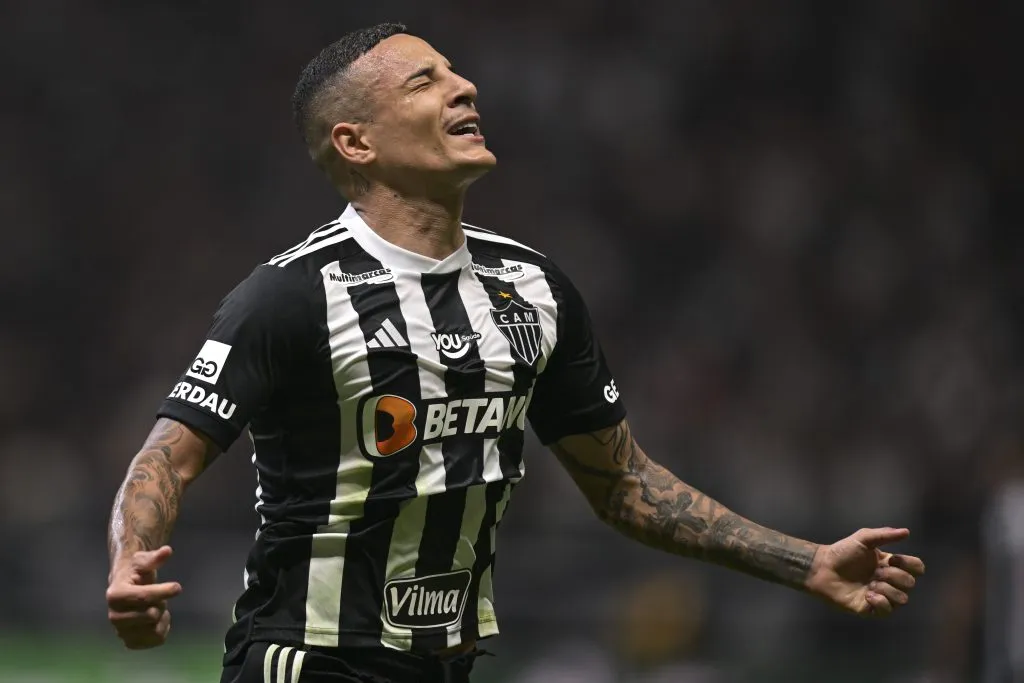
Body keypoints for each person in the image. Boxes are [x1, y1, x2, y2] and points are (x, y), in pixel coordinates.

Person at [105, 22, 926, 683]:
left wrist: (808, 559)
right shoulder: (288, 295)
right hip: (308, 657)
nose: (463, 87)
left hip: (450, 664)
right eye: (423, 81)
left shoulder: (531, 285)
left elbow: (628, 487)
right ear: (356, 144)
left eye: (455, 72)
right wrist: (130, 564)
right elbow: (163, 462)